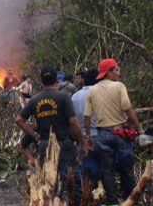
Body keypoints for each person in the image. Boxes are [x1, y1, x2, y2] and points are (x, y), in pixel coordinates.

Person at [16, 66, 86, 206]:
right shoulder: (63, 97)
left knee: (48, 180)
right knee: (72, 176)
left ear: (41, 81)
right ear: (56, 79)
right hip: (64, 144)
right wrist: (81, 142)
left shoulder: (35, 99)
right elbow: (73, 121)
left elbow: (19, 120)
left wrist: (35, 135)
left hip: (44, 145)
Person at [84, 59, 144, 205]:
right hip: (120, 133)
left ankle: (112, 201)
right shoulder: (118, 86)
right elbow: (128, 110)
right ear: (108, 73)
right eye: (116, 69)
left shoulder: (92, 90)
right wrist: (139, 128)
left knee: (108, 170)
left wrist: (88, 137)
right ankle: (131, 198)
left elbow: (87, 117)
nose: (119, 72)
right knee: (126, 168)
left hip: (102, 135)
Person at [71, 69, 101, 186]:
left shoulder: (74, 97)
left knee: (84, 169)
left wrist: (77, 139)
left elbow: (72, 121)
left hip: (81, 138)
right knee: (102, 168)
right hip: (99, 136)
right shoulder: (99, 95)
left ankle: (86, 197)